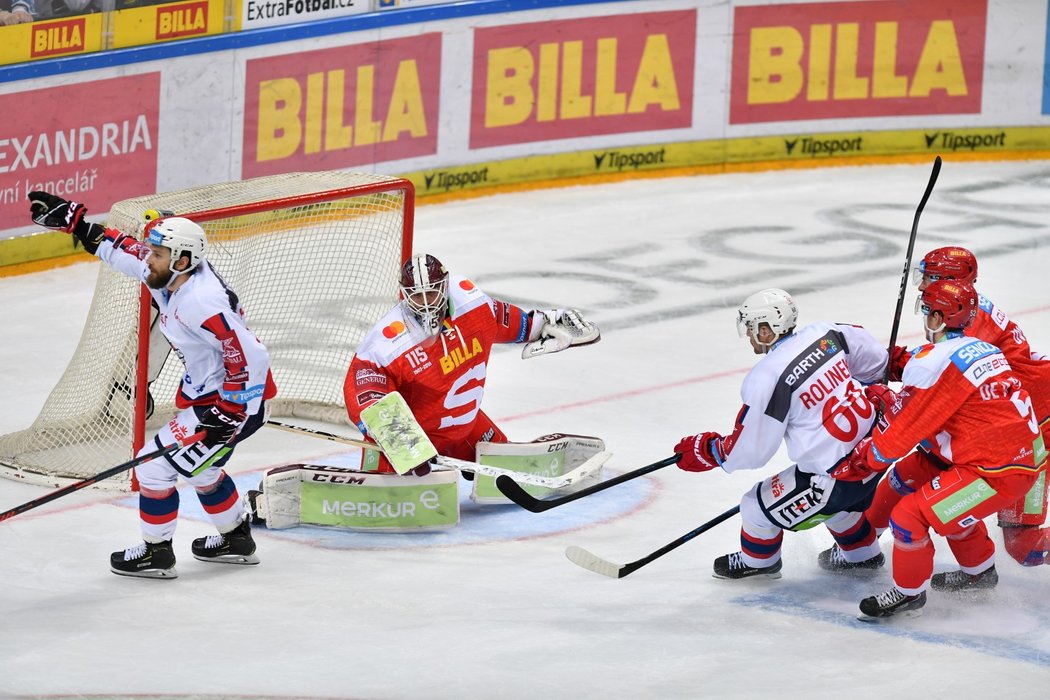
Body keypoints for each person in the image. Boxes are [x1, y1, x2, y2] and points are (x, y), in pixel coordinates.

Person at [28, 191, 276, 579]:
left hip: (233, 404)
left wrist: (227, 414)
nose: (148, 259)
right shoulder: (175, 272)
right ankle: (236, 541)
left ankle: (156, 553)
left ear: (181, 260)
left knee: (154, 470)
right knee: (202, 471)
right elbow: (130, 254)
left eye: (156, 254)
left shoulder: (202, 302)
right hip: (218, 399)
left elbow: (252, 357)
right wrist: (79, 226)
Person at [841, 279, 1045, 619]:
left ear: (937, 318)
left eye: (925, 310)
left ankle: (909, 593)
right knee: (912, 476)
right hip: (1012, 456)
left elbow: (900, 434)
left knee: (910, 516)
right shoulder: (984, 348)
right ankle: (979, 571)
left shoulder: (934, 362)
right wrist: (898, 384)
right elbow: (945, 399)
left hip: (997, 471)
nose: (923, 318)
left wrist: (862, 459)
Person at [673, 288, 889, 580]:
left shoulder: (769, 377)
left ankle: (759, 562)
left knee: (754, 507)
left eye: (751, 329)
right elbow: (875, 362)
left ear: (766, 330)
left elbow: (752, 450)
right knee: (840, 506)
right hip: (875, 453)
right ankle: (862, 554)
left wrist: (710, 450)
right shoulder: (827, 335)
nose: (749, 336)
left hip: (837, 477)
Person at [870, 246, 1050, 576]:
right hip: (994, 426)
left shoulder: (969, 325)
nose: (922, 286)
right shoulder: (964, 310)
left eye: (929, 278)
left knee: (1022, 545)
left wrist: (900, 373)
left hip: (1035, 432)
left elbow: (942, 384)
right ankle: (865, 543)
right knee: (918, 469)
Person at [344, 253, 599, 475]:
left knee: (510, 475)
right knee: (394, 490)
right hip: (418, 437)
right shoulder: (390, 340)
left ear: (444, 285)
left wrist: (547, 323)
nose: (426, 303)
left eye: (431, 292)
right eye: (417, 296)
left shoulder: (471, 304)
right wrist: (403, 443)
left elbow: (508, 321)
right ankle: (386, 469)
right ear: (404, 294)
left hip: (466, 427)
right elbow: (365, 389)